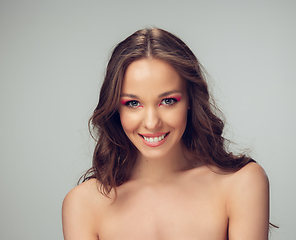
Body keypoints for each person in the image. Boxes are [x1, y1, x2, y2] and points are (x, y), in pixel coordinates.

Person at [62, 27, 270, 240]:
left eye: (168, 101)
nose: (152, 123)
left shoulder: (241, 183)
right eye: (133, 103)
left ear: (190, 100)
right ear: (116, 107)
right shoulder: (83, 204)